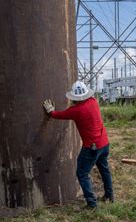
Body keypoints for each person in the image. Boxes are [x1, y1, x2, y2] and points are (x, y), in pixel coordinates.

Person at [42, 81, 113, 209]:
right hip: (104, 143)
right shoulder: (93, 102)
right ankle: (109, 196)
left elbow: (59, 115)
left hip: (92, 147)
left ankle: (92, 204)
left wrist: (51, 111)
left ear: (74, 98)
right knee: (104, 169)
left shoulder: (76, 111)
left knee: (82, 174)